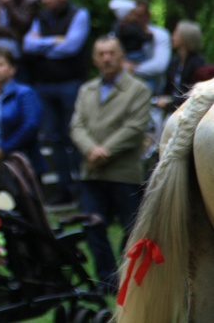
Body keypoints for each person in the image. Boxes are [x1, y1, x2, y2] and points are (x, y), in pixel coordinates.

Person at [70, 35, 151, 293]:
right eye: (101, 54)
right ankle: (106, 280)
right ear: (95, 59)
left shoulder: (139, 89)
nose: (107, 58)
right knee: (93, 227)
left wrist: (105, 150)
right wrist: (91, 150)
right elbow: (76, 125)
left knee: (130, 228)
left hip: (123, 173)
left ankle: (126, 278)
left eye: (112, 53)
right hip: (92, 173)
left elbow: (135, 127)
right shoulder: (86, 90)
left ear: (121, 56)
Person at [22, 0, 90, 206]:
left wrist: (42, 45)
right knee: (53, 138)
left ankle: (82, 190)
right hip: (44, 86)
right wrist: (55, 42)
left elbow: (72, 46)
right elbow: (27, 46)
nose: (45, 1)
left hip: (70, 84)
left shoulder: (79, 14)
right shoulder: (41, 17)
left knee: (74, 135)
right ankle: (64, 189)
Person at [0, 46, 44, 203]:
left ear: (12, 69)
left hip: (17, 164)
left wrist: (2, 150)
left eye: (0, 64)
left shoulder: (24, 93)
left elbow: (31, 126)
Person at [122, 0, 171, 96]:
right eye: (133, 14)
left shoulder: (160, 34)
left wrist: (133, 69)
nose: (135, 19)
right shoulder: (122, 32)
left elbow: (160, 65)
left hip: (152, 89)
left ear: (147, 16)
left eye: (139, 15)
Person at [155, 20, 206, 113]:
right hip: (171, 110)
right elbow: (168, 89)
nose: (172, 37)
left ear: (185, 38)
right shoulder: (174, 61)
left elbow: (195, 94)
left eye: (176, 34)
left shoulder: (198, 64)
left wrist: (170, 101)